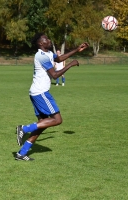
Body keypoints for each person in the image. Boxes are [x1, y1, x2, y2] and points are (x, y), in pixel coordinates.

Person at [15, 32, 89, 161]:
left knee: (42, 125)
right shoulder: (41, 56)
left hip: (36, 92)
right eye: (46, 39)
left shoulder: (48, 54)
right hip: (41, 93)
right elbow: (54, 75)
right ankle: (24, 128)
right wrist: (71, 64)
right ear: (40, 43)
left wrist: (77, 50)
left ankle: (22, 153)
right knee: (57, 119)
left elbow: (59, 59)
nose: (49, 40)